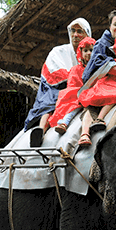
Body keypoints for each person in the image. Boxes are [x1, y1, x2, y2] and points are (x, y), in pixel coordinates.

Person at [25, 18, 92, 147]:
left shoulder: (91, 52)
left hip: (84, 87)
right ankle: (41, 129)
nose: (75, 35)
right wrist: (74, 79)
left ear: (87, 35)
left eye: (80, 31)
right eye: (73, 31)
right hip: (58, 86)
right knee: (52, 100)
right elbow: (53, 74)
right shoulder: (58, 51)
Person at [48, 36, 96, 134]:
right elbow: (72, 86)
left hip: (94, 95)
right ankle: (64, 122)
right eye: (86, 51)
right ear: (81, 53)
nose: (89, 53)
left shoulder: (98, 67)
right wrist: (83, 93)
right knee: (74, 107)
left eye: (91, 50)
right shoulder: (75, 69)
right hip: (78, 95)